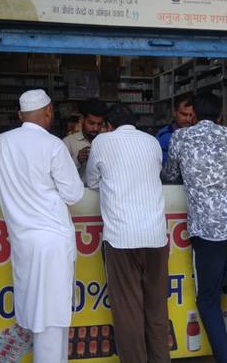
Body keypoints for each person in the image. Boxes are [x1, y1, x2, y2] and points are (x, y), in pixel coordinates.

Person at [0, 89, 84, 363]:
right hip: (53, 240)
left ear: (20, 115)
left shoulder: (0, 142)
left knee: (38, 312)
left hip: (23, 242)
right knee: (51, 317)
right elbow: (74, 194)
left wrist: (14, 189)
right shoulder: (53, 145)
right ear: (48, 112)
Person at [163, 93, 227, 363]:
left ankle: (226, 358)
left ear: (193, 115)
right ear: (220, 115)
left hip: (209, 229)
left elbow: (170, 175)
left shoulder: (180, 137)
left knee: (207, 299)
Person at [86, 104, 170, 363]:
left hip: (121, 237)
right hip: (156, 235)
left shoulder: (102, 141)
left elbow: (92, 181)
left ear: (108, 125)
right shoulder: (152, 142)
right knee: (156, 307)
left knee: (128, 310)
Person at [63, 99, 107, 184]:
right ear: (82, 120)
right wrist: (77, 159)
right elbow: (61, 172)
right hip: (80, 191)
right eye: (91, 123)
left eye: (99, 124)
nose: (95, 128)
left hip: (102, 190)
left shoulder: (106, 141)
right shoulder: (68, 142)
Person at [156, 96, 194, 164]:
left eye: (191, 115)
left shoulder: (198, 136)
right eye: (184, 114)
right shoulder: (163, 137)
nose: (188, 119)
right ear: (174, 112)